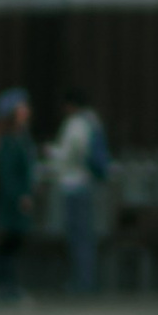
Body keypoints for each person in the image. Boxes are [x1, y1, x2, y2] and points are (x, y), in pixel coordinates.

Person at [48, 89, 111, 294]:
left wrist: (51, 152)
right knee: (85, 236)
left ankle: (82, 282)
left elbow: (70, 152)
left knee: (78, 237)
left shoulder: (76, 124)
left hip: (74, 184)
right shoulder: (93, 121)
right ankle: (85, 280)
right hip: (86, 183)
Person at [0, 89, 38, 301]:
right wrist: (21, 196)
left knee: (13, 242)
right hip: (11, 201)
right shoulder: (7, 139)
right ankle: (2, 286)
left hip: (17, 199)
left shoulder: (21, 136)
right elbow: (8, 175)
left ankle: (7, 285)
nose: (26, 111)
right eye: (21, 108)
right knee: (7, 242)